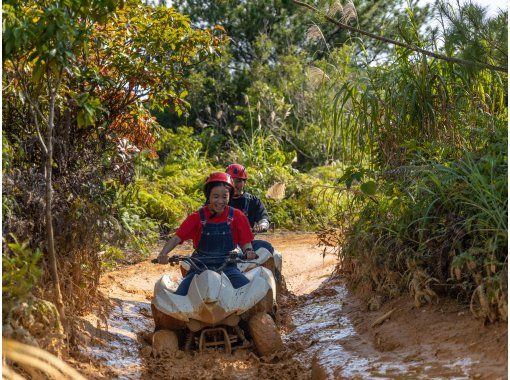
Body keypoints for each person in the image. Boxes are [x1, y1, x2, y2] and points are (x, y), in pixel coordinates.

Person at [156, 172, 256, 296]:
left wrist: (248, 251)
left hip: (228, 267)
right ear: (208, 196)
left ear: (229, 196)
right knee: (180, 296)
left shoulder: (238, 216)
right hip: (198, 267)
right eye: (215, 196)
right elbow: (177, 238)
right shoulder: (196, 217)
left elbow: (246, 242)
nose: (220, 201)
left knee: (250, 293)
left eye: (224, 197)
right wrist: (163, 254)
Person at [225, 164, 274, 254]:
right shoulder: (219, 200)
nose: (236, 185)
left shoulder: (253, 201)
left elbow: (264, 218)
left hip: (246, 243)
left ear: (245, 182)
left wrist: (262, 226)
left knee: (268, 248)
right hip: (222, 243)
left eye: (239, 181)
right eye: (233, 181)